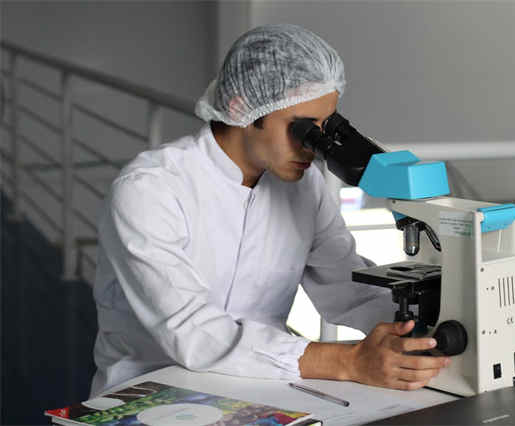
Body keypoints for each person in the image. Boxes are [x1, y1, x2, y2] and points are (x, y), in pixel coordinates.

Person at [90, 23, 449, 397]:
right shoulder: (151, 189)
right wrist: (350, 362)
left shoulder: (304, 187)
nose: (313, 147)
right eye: (303, 129)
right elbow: (192, 332)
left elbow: (348, 290)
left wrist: (422, 332)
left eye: (325, 128)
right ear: (242, 108)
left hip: (261, 388)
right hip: (150, 392)